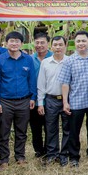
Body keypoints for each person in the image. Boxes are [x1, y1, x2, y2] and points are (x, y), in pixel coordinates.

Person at [0, 31, 37, 169]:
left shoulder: (28, 59)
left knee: (21, 131)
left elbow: (32, 79)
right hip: (5, 101)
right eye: (11, 41)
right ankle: (3, 160)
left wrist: (33, 97)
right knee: (3, 132)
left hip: (24, 100)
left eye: (17, 41)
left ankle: (20, 156)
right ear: (5, 43)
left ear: (21, 44)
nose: (14, 43)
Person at [58, 31, 88, 167]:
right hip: (76, 101)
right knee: (74, 131)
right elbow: (65, 83)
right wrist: (65, 102)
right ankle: (74, 156)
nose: (81, 43)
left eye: (83, 40)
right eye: (78, 41)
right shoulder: (69, 61)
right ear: (74, 43)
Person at [37, 36, 70, 166]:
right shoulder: (45, 62)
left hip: (66, 100)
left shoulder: (70, 61)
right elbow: (41, 84)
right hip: (51, 99)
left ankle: (64, 154)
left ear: (65, 46)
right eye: (55, 45)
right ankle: (52, 154)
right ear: (51, 47)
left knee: (67, 128)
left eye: (60, 44)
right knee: (51, 128)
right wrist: (41, 103)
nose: (58, 47)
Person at [31, 32, 52, 158]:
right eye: (37, 42)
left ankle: (49, 150)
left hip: (50, 98)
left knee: (49, 126)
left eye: (42, 42)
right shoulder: (29, 59)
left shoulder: (54, 57)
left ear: (48, 44)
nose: (39, 45)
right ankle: (39, 151)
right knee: (35, 127)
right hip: (33, 98)